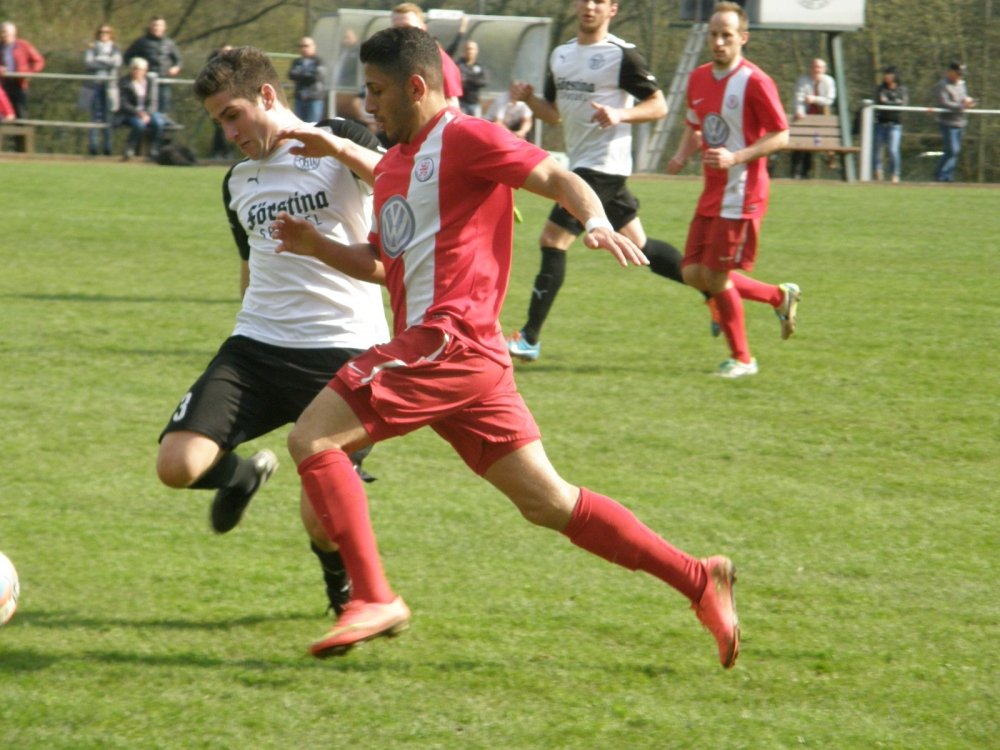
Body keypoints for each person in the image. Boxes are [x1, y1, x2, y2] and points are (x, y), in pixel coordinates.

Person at [270, 25, 740, 669]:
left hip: (449, 340)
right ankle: (698, 577)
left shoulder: (465, 136)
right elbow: (383, 261)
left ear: (416, 86)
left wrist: (595, 221)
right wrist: (316, 245)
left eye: (377, 91)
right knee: (549, 502)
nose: (367, 105)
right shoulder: (397, 165)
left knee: (312, 439)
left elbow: (557, 175)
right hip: (470, 360)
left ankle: (374, 597)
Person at [161, 46, 391, 617]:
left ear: (267, 95)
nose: (229, 133)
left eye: (233, 115)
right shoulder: (237, 181)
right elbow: (252, 263)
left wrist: (338, 147)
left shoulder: (338, 137)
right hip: (257, 349)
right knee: (177, 465)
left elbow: (403, 181)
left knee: (322, 519)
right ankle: (241, 477)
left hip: (343, 352)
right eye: (218, 122)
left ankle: (341, 588)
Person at [503, 0, 691, 363]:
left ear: (612, 9)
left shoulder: (623, 55)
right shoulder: (561, 55)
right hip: (586, 165)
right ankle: (713, 288)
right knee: (641, 246)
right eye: (585, 0)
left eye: (599, 1)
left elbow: (659, 106)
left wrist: (620, 113)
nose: (590, 6)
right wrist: (529, 99)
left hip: (602, 167)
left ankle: (529, 338)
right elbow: (554, 115)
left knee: (552, 239)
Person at [666, 3, 798, 379]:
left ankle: (743, 359)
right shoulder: (698, 78)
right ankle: (777, 296)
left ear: (743, 38)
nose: (719, 42)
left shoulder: (756, 81)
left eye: (727, 35)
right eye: (714, 35)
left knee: (716, 278)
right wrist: (680, 156)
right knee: (692, 272)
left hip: (742, 193)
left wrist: (736, 157)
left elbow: (781, 135)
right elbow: (695, 125)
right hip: (712, 191)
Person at [390, 3, 463, 109]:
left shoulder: (436, 58)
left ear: (423, 28)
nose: (401, 32)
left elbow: (451, 102)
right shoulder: (393, 57)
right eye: (396, 28)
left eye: (408, 27)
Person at [124, 16, 182, 118]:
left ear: (164, 27)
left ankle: (162, 124)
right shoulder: (141, 42)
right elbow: (127, 57)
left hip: (164, 81)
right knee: (148, 109)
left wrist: (176, 67)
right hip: (146, 82)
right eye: (154, 25)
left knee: (163, 109)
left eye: (159, 25)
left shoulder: (169, 43)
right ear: (150, 27)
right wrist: (137, 69)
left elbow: (178, 60)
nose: (156, 28)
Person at [789, 58, 835, 179]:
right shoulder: (803, 81)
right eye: (814, 67)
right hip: (805, 116)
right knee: (800, 144)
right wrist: (799, 112)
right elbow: (798, 98)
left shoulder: (829, 81)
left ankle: (808, 172)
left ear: (824, 70)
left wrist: (814, 99)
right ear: (810, 69)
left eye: (819, 68)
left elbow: (829, 100)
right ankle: (796, 173)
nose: (816, 70)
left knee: (814, 144)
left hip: (821, 118)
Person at [933, 61, 976, 183]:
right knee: (953, 149)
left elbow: (964, 97)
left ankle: (947, 175)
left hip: (961, 122)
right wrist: (961, 106)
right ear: (951, 72)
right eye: (958, 74)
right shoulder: (943, 85)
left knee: (955, 151)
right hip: (948, 122)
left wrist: (968, 101)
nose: (960, 76)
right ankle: (940, 174)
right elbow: (945, 103)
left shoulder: (961, 84)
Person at [115, 57, 165, 159]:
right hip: (130, 113)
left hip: (148, 113)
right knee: (138, 124)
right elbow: (123, 103)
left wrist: (146, 114)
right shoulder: (124, 82)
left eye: (139, 69)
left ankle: (154, 148)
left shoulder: (150, 82)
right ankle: (130, 148)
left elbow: (153, 102)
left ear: (145, 70)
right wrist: (138, 113)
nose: (137, 72)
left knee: (158, 123)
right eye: (134, 69)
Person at [84, 25, 122, 156]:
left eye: (107, 32)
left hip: (109, 87)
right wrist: (108, 61)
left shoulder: (115, 48)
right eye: (101, 32)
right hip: (95, 86)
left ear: (111, 34)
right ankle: (93, 146)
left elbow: (117, 63)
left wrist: (99, 59)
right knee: (94, 117)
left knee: (108, 117)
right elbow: (88, 63)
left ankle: (107, 147)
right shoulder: (92, 48)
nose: (104, 34)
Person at [0, 22, 45, 121]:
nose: (3, 35)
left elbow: (39, 61)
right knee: (4, 113)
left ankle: (21, 130)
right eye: (2, 32)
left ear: (13, 33)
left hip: (19, 84)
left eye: (5, 32)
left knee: (20, 112)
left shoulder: (23, 46)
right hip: (3, 84)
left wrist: (28, 73)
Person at [873, 66, 908, 183]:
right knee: (877, 150)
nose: (886, 76)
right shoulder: (881, 89)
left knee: (893, 150)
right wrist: (893, 102)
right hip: (880, 124)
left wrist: (888, 102)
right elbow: (880, 102)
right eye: (886, 74)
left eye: (889, 74)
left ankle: (895, 174)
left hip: (895, 125)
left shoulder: (902, 90)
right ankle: (878, 172)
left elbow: (902, 105)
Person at [288, 37, 328, 123]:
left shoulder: (319, 61)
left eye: (306, 46)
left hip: (314, 98)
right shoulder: (297, 62)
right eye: (301, 46)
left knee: (312, 125)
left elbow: (316, 77)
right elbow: (291, 75)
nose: (303, 49)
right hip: (299, 98)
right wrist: (307, 75)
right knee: (298, 124)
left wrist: (300, 76)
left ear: (313, 47)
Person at [207, 46, 234, 159]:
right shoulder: (212, 69)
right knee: (221, 126)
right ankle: (224, 152)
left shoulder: (235, 67)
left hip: (229, 101)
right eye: (226, 51)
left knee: (222, 128)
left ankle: (217, 152)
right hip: (215, 102)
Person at [457, 41, 487, 117]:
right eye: (468, 49)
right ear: (464, 50)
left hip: (475, 103)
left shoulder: (479, 66)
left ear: (476, 51)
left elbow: (484, 81)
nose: (470, 51)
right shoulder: (458, 65)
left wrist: (468, 79)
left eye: (472, 49)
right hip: (461, 103)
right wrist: (474, 78)